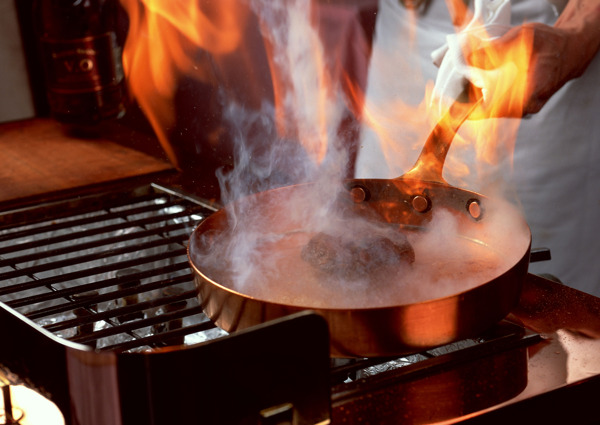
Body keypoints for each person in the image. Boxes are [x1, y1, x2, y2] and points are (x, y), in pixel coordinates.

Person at [354, 0, 600, 296]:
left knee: (550, 303)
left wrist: (578, 33)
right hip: (407, 39)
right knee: (371, 273)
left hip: (549, 40)